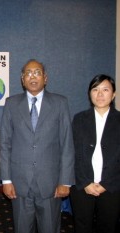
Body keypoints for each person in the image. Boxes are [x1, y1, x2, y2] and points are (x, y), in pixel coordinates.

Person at [0, 59, 75, 233]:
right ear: (22, 79)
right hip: (19, 184)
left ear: (45, 78)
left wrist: (65, 181)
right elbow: (5, 144)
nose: (32, 76)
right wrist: (6, 179)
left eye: (37, 72)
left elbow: (66, 144)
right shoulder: (11, 104)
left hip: (50, 184)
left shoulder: (60, 103)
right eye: (28, 73)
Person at [70, 74, 120, 233]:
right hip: (83, 186)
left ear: (113, 94)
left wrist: (106, 183)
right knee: (82, 226)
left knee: (108, 226)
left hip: (112, 187)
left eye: (105, 90)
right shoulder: (79, 119)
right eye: (95, 89)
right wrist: (85, 182)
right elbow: (72, 153)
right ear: (89, 93)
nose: (100, 94)